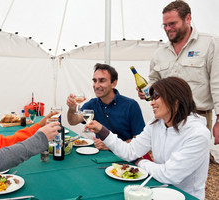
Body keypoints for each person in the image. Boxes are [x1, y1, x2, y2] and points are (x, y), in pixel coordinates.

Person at [87, 77, 210, 200]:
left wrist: (141, 162)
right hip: (158, 189)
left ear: (176, 100)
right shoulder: (156, 123)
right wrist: (102, 131)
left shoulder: (198, 134)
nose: (151, 102)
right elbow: (130, 151)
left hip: (186, 196)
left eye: (156, 96)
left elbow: (170, 175)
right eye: (152, 97)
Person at [138, 0, 219, 162]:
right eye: (165, 25)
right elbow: (154, 81)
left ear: (188, 18)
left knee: (190, 168)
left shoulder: (210, 43)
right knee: (165, 162)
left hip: (197, 117)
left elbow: (217, 84)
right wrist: (148, 91)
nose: (168, 29)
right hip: (166, 118)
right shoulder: (159, 53)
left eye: (172, 24)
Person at [67, 63, 150, 159]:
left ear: (113, 83)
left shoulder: (130, 105)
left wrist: (110, 145)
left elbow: (139, 142)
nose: (96, 85)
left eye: (102, 81)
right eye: (95, 81)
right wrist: (72, 108)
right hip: (100, 158)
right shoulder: (92, 104)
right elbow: (72, 121)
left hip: (127, 160)